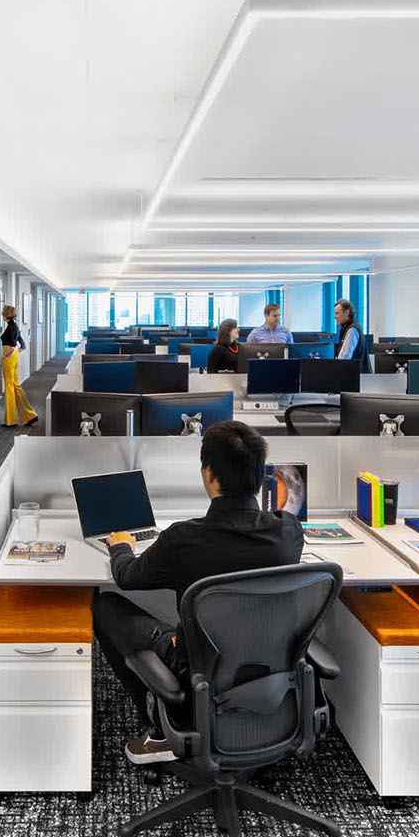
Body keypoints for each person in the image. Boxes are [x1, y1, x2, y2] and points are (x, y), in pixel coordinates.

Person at [91, 420, 302, 764]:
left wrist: (121, 547)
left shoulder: (184, 539)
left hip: (199, 674)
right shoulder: (288, 532)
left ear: (209, 475)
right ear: (260, 474)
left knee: (106, 606)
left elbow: (128, 577)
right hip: (267, 673)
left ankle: (162, 726)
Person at [0, 305, 38, 428]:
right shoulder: (15, 326)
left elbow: (11, 345)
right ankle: (30, 415)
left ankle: (10, 420)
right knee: (15, 387)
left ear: (6, 315)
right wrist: (14, 350)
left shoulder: (11, 327)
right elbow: (22, 345)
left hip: (9, 357)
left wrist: (5, 356)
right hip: (13, 357)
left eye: (3, 313)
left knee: (9, 388)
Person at [333, 299, 366, 366]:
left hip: (355, 374)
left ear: (347, 312)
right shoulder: (347, 329)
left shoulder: (352, 330)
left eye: (337, 313)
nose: (335, 317)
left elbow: (345, 357)